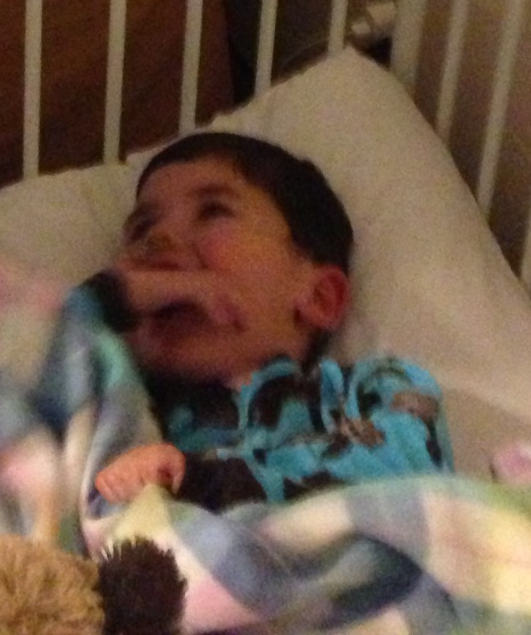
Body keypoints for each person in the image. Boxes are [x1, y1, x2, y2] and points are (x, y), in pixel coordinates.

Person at [87, 132, 454, 512]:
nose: (158, 239)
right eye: (141, 230)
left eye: (213, 212)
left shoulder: (367, 387)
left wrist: (195, 482)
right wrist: (120, 295)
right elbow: (52, 341)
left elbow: (410, 468)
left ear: (319, 298)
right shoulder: (121, 406)